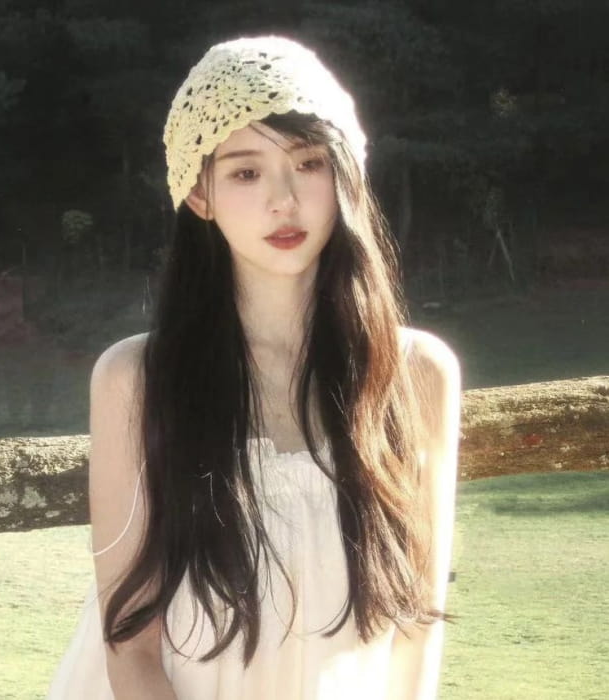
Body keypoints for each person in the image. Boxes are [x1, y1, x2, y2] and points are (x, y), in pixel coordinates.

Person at [47, 35, 461, 700]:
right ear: (200, 194)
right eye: (246, 172)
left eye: (309, 163)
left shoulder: (417, 374)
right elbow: (130, 645)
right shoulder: (135, 379)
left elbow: (416, 629)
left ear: (345, 176)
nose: (284, 200)